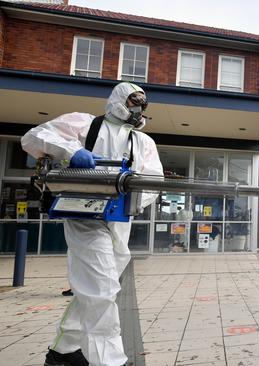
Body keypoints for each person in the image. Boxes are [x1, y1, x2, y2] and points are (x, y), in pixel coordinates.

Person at [21, 82, 163, 366]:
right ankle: (108, 360)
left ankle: (62, 351)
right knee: (101, 287)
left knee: (95, 288)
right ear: (119, 100)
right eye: (134, 101)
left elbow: (154, 180)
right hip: (83, 214)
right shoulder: (84, 125)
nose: (138, 109)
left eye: (142, 104)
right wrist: (71, 151)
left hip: (119, 218)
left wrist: (130, 194)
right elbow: (33, 138)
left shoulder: (143, 142)